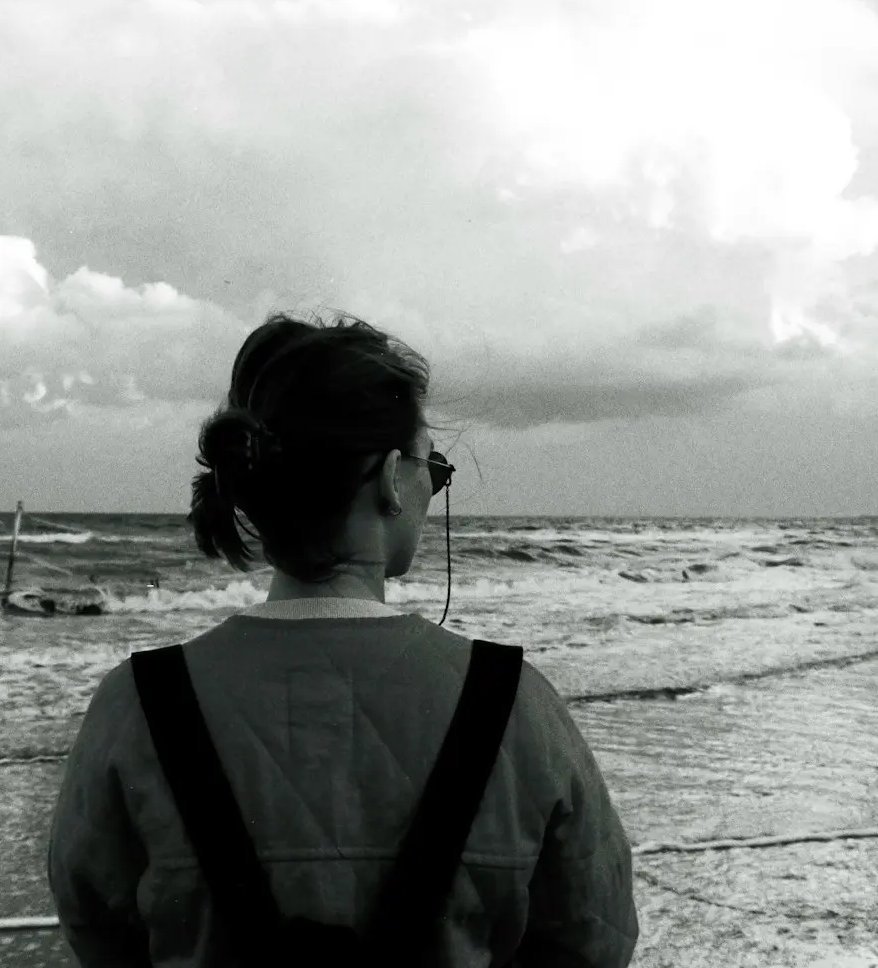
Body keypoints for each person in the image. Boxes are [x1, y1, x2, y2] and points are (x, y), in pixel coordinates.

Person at [47, 310, 638, 966]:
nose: (430, 484)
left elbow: (97, 925)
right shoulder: (515, 704)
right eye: (431, 466)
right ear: (391, 477)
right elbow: (595, 936)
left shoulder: (137, 702)